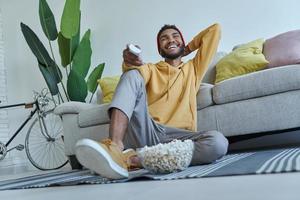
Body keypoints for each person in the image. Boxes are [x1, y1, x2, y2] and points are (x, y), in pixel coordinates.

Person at [75, 23, 229, 179]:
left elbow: (214, 30)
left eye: (175, 36)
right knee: (132, 75)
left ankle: (131, 159)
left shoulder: (194, 69)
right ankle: (115, 147)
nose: (170, 40)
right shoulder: (151, 69)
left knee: (218, 143)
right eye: (164, 39)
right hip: (148, 130)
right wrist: (129, 62)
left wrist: (184, 49)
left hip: (178, 139)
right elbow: (133, 76)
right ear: (160, 50)